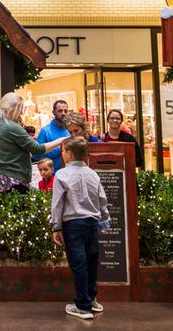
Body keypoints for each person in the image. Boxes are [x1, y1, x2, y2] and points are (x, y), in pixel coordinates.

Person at [51, 137, 110, 320]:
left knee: (78, 263)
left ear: (69, 153)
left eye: (63, 151)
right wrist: (104, 220)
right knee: (92, 261)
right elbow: (102, 199)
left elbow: (57, 204)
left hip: (73, 224)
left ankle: (82, 305)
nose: (62, 154)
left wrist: (56, 226)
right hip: (92, 222)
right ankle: (91, 298)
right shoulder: (93, 174)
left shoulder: (61, 175)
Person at [0, 93, 67, 194]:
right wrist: (61, 140)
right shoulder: (11, 126)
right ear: (15, 108)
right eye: (21, 109)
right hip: (11, 180)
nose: (21, 113)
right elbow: (38, 149)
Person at [33, 100, 71, 173]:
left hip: (70, 175)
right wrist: (62, 147)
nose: (63, 113)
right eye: (60, 111)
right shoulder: (45, 131)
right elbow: (37, 156)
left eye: (65, 111)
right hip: (52, 176)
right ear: (53, 112)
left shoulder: (71, 129)